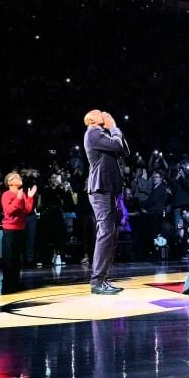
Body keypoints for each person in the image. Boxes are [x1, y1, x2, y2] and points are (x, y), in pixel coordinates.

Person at [83, 109, 129, 294]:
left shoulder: (102, 134)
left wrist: (114, 130)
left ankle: (103, 279)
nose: (104, 113)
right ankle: (97, 281)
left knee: (109, 234)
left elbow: (125, 150)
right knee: (105, 233)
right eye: (99, 112)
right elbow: (117, 147)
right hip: (100, 189)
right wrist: (114, 128)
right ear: (92, 119)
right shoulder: (93, 133)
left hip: (108, 189)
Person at [0, 171, 36, 294]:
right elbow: (8, 211)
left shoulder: (22, 193)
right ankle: (7, 284)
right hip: (10, 229)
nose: (18, 177)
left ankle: (16, 282)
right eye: (14, 177)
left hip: (21, 229)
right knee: (9, 258)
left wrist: (30, 197)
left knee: (17, 258)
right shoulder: (6, 194)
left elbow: (27, 210)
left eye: (18, 176)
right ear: (9, 182)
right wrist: (18, 199)